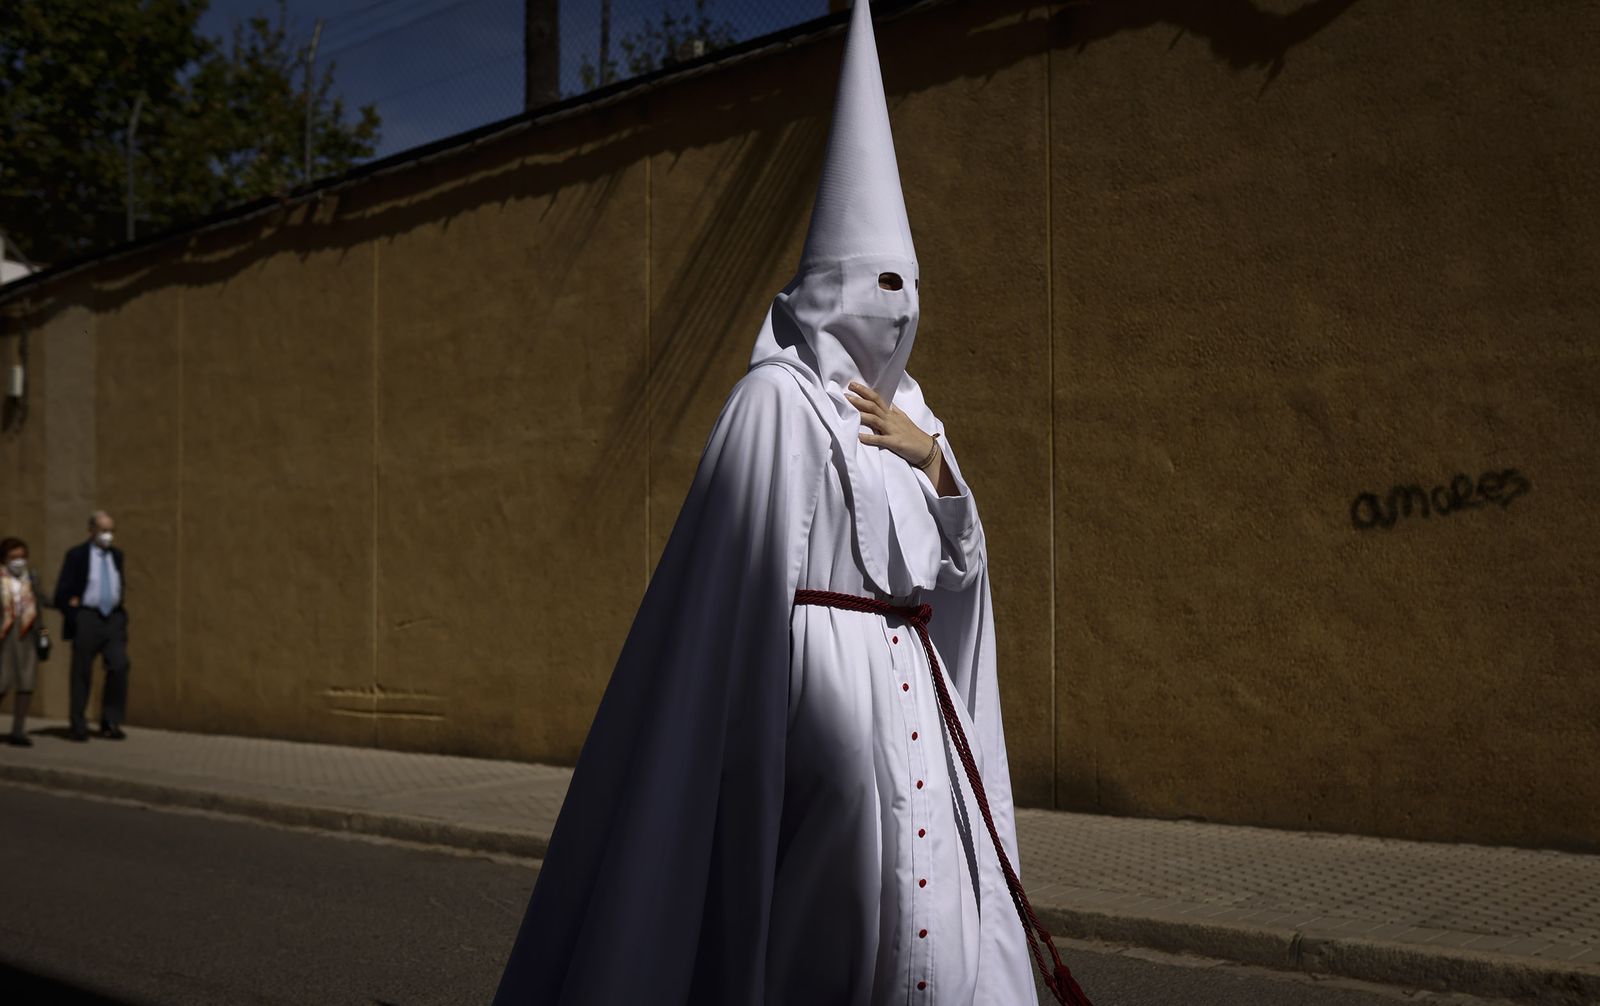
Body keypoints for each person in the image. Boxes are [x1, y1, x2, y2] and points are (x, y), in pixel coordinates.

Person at [493, 2, 1091, 1003]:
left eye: (909, 286)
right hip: (809, 714)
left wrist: (938, 466)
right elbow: (732, 591)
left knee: (930, 927)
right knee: (817, 932)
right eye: (874, 282)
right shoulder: (773, 399)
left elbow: (958, 582)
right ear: (824, 286)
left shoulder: (917, 412)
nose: (895, 304)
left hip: (911, 697)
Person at [53, 511, 130, 742]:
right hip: (87, 618)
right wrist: (75, 614)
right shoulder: (77, 555)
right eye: (104, 530)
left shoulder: (116, 556)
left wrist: (120, 613)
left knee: (119, 665)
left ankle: (110, 720)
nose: (108, 536)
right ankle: (78, 725)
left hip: (113, 619)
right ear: (91, 531)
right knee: (82, 673)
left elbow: (118, 583)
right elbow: (62, 594)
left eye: (111, 531)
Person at [0, 537, 49, 746]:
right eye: (14, 557)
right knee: (1, 683)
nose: (19, 561)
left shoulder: (31, 578)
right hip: (5, 636)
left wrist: (44, 633)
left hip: (27, 634)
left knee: (26, 683)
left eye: (22, 556)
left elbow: (42, 603)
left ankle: (18, 730)